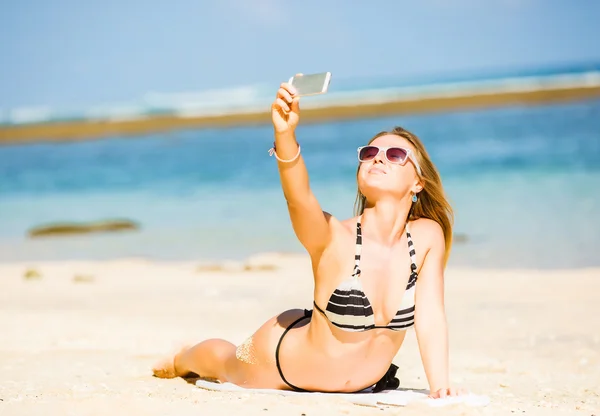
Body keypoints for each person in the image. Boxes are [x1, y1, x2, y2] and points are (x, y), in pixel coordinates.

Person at [152, 81, 466, 399]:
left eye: (395, 154)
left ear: (418, 183)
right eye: (370, 153)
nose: (378, 159)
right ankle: (182, 356)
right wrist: (285, 136)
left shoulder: (427, 236)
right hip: (279, 361)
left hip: (354, 376)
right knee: (224, 362)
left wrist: (440, 386)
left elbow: (431, 316)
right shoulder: (334, 236)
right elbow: (299, 198)